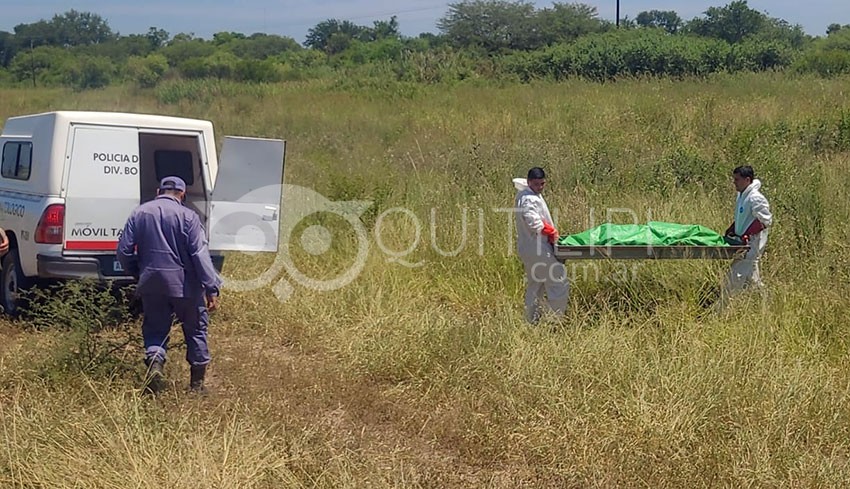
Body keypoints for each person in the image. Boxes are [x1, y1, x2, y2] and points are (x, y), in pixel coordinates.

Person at [117, 176, 222, 394]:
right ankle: (197, 386)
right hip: (186, 286)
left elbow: (124, 250)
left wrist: (138, 273)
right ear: (182, 194)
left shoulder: (140, 213)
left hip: (152, 284)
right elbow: (199, 255)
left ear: (158, 191)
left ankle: (155, 363)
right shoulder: (189, 217)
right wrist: (211, 288)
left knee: (155, 328)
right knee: (195, 330)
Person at [514, 167, 569, 324]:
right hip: (538, 248)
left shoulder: (526, 194)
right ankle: (554, 321)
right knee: (558, 281)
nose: (540, 187)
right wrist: (551, 232)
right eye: (536, 184)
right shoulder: (528, 199)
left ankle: (531, 320)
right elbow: (532, 220)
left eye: (542, 184)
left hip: (529, 248)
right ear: (529, 182)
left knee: (536, 285)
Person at [722, 165, 773, 298]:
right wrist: (733, 228)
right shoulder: (741, 196)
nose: (734, 182)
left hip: (752, 244)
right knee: (752, 281)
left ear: (747, 180)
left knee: (732, 279)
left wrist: (747, 234)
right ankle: (765, 304)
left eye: (737, 179)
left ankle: (721, 311)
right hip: (743, 242)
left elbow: (765, 221)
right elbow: (744, 217)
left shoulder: (755, 197)